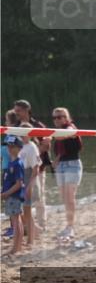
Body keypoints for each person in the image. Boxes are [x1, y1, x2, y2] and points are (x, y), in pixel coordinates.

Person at [12, 100, 49, 233]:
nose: (16, 113)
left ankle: (42, 225)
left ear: (27, 110)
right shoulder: (14, 126)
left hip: (37, 167)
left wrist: (31, 151)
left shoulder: (37, 125)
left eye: (18, 111)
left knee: (38, 198)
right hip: (21, 169)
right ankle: (28, 227)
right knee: (23, 199)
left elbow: (46, 145)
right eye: (15, 111)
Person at [50, 107, 83, 240]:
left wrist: (49, 135)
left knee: (69, 198)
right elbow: (61, 151)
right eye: (55, 117)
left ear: (67, 117)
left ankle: (70, 227)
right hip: (61, 166)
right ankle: (68, 225)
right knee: (64, 198)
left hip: (73, 165)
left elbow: (66, 135)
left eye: (60, 117)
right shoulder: (57, 133)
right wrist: (55, 161)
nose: (57, 120)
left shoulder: (70, 127)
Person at [16, 125, 42, 247]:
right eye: (20, 133)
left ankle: (30, 240)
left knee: (27, 211)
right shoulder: (20, 146)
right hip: (21, 178)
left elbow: (36, 168)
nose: (22, 135)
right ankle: (35, 231)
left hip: (29, 178)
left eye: (24, 133)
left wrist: (30, 185)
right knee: (22, 211)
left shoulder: (32, 147)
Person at [2, 137, 26, 255]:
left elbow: (19, 183)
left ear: (19, 148)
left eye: (12, 146)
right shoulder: (12, 162)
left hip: (14, 196)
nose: (9, 148)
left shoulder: (17, 163)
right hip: (11, 196)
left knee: (16, 222)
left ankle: (16, 248)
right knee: (17, 221)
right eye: (8, 146)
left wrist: (6, 193)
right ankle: (17, 247)